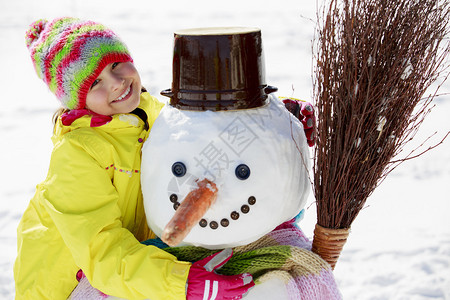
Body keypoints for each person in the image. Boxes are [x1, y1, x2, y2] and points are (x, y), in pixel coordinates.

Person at [14, 17, 255, 300]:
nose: (117, 83)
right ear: (79, 102)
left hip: (126, 266)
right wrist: (181, 283)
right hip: (72, 286)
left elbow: (209, 134)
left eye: (115, 65)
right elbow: (103, 252)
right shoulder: (77, 154)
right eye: (95, 83)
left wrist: (278, 123)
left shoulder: (151, 113)